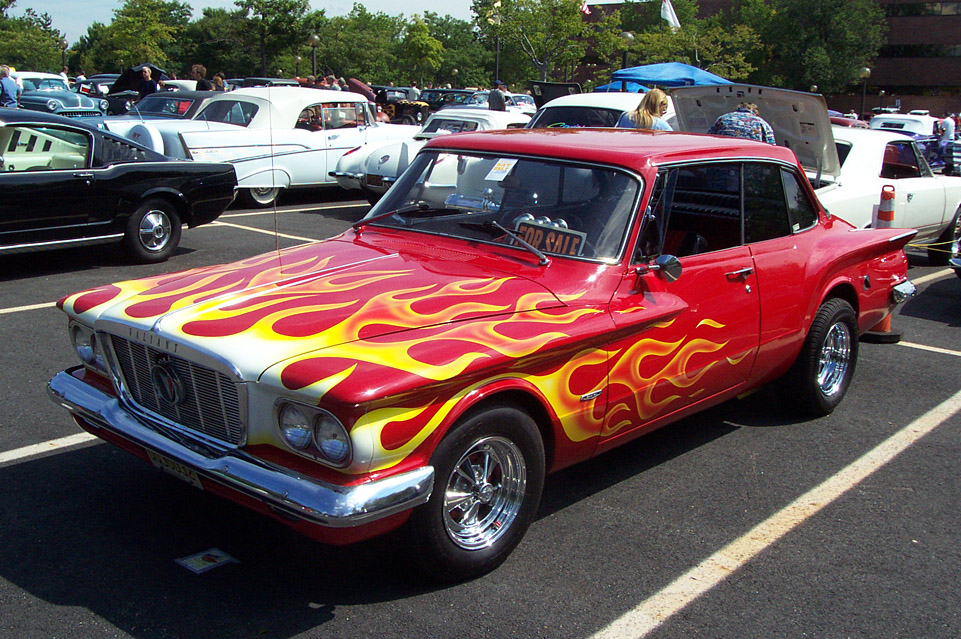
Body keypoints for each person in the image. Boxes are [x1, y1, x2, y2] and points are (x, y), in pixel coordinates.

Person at [707, 102, 776, 144]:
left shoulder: (723, 118)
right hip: (749, 161)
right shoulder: (761, 122)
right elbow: (771, 145)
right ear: (755, 112)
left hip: (724, 159)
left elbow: (710, 138)